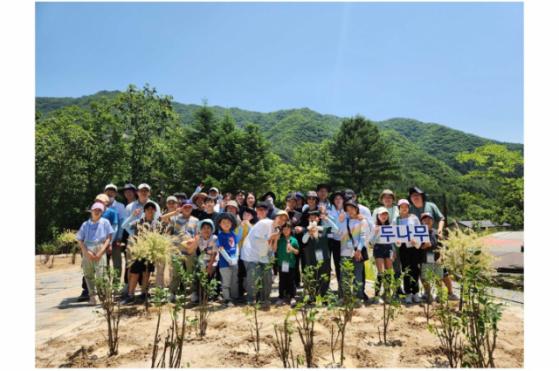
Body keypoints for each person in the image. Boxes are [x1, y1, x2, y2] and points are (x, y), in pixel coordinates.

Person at [241, 210, 289, 308]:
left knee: (267, 277)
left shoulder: (277, 230)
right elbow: (257, 239)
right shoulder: (264, 223)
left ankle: (264, 299)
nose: (281, 221)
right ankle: (251, 299)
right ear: (275, 217)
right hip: (251, 254)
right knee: (254, 276)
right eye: (280, 218)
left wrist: (275, 239)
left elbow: (273, 248)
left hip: (264, 255)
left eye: (284, 220)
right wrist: (272, 236)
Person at [120, 201, 162, 305]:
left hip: (150, 253)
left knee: (146, 273)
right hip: (138, 253)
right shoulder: (138, 222)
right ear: (145, 211)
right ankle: (130, 295)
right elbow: (124, 226)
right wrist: (132, 215)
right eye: (148, 209)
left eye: (152, 209)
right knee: (134, 273)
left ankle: (144, 293)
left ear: (155, 211)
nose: (150, 211)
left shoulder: (157, 224)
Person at [76, 202, 114, 305]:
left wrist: (100, 252)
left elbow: (108, 238)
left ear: (102, 212)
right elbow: (80, 239)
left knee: (102, 274)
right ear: (91, 211)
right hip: (87, 249)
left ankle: (105, 296)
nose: (97, 212)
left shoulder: (105, 222)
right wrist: (86, 252)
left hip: (100, 248)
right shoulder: (85, 224)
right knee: (88, 274)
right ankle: (92, 297)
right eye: (95, 210)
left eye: (99, 210)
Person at [301, 209, 339, 297]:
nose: (312, 219)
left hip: (324, 258)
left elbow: (336, 229)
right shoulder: (307, 230)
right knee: (313, 277)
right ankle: (313, 296)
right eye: (310, 218)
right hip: (311, 259)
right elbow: (303, 241)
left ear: (318, 219)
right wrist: (309, 232)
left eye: (314, 218)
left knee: (325, 276)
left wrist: (327, 219)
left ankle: (324, 296)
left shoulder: (324, 229)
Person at [337, 200, 368, 301]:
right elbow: (337, 230)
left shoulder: (362, 221)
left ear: (356, 209)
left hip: (357, 252)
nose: (350, 211)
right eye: (348, 209)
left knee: (358, 276)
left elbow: (363, 237)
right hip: (344, 252)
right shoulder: (344, 221)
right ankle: (345, 297)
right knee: (344, 276)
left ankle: (358, 297)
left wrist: (358, 250)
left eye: (352, 208)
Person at [216, 212, 247, 306]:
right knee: (226, 282)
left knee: (234, 281)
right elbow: (220, 248)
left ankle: (234, 297)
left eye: (228, 222)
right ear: (220, 224)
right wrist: (228, 259)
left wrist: (236, 257)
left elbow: (236, 245)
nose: (226, 224)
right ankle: (227, 299)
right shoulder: (220, 236)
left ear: (232, 224)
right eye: (223, 222)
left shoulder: (233, 234)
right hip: (224, 264)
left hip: (234, 262)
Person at [395, 199, 422, 304]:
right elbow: (393, 233)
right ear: (399, 208)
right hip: (403, 247)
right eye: (402, 206)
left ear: (408, 207)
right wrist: (397, 241)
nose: (404, 208)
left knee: (415, 270)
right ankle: (408, 294)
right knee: (406, 270)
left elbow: (420, 231)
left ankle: (415, 293)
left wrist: (417, 242)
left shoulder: (414, 218)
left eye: (406, 206)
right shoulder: (396, 220)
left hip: (414, 247)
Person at [369, 207, 395, 304]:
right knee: (381, 272)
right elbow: (371, 243)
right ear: (378, 216)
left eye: (385, 214)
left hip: (388, 248)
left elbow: (393, 240)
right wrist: (375, 233)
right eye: (381, 214)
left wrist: (394, 251)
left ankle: (387, 293)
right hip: (378, 248)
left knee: (388, 272)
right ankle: (376, 295)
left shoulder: (391, 226)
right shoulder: (374, 226)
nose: (383, 216)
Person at [190, 219, 219, 303]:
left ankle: (211, 295)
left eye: (208, 228)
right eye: (204, 228)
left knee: (210, 273)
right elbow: (191, 250)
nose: (206, 230)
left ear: (212, 229)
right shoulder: (199, 238)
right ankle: (199, 295)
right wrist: (195, 240)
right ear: (201, 230)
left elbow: (214, 254)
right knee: (198, 273)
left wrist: (209, 266)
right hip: (203, 260)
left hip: (213, 260)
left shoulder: (214, 238)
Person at [271, 222, 300, 307]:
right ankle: (280, 297)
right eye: (284, 229)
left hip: (291, 264)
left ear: (291, 230)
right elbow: (274, 249)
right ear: (282, 230)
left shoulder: (294, 240)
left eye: (288, 229)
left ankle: (292, 297)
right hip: (281, 264)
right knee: (282, 281)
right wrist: (276, 239)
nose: (286, 231)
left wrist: (292, 249)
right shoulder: (280, 240)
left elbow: (297, 252)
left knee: (291, 281)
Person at [418, 212, 444, 303]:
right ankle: (428, 294)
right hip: (424, 257)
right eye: (424, 219)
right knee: (424, 277)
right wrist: (422, 246)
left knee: (438, 276)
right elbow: (415, 246)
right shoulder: (418, 232)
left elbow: (442, 246)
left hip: (435, 257)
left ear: (432, 221)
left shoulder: (436, 232)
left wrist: (441, 257)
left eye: (429, 219)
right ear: (421, 222)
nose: (427, 221)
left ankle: (440, 295)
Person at [327, 190, 345, 290]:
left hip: (344, 241)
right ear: (333, 201)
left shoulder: (346, 210)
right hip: (332, 240)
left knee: (340, 265)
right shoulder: (329, 211)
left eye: (340, 198)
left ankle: (341, 288)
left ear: (343, 200)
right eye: (336, 198)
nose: (338, 200)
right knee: (329, 264)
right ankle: (327, 288)